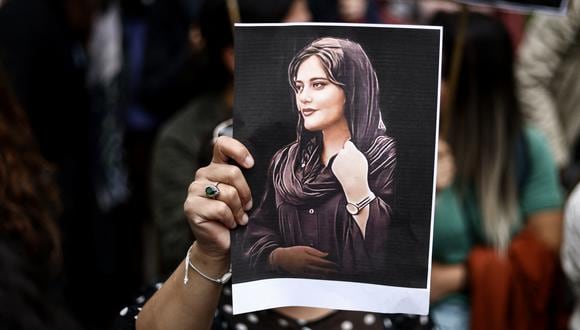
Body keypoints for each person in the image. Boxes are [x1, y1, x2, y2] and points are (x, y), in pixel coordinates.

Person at [429, 12, 563, 330]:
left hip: (490, 315)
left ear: (472, 86)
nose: (426, 82)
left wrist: (464, 275)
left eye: (439, 73)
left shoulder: (529, 148)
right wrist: (422, 189)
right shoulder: (397, 142)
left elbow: (544, 254)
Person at [241, 37, 396, 281]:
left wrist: (360, 193)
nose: (303, 97)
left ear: (352, 89)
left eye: (318, 85)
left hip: (357, 309)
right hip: (291, 303)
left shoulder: (386, 157)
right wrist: (278, 257)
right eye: (299, 86)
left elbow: (399, 250)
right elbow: (256, 232)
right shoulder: (286, 161)